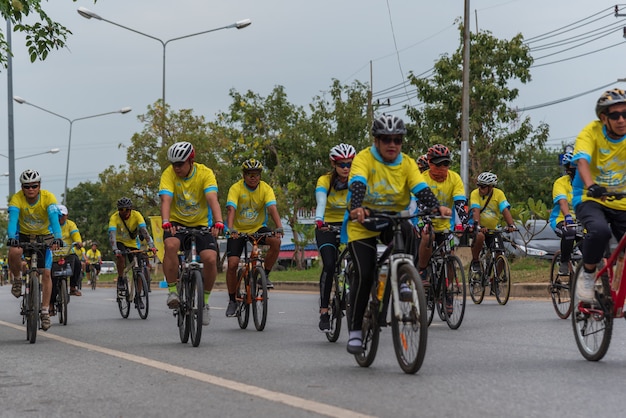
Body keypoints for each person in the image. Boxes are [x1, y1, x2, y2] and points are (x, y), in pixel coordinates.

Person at [345, 115, 451, 355]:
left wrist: (436, 207)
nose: (392, 144)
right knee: (365, 273)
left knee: (409, 232)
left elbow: (420, 188)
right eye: (386, 139)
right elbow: (358, 184)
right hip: (363, 222)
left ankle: (405, 277)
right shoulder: (364, 159)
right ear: (376, 141)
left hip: (391, 218)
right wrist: (357, 207)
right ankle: (355, 331)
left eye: (397, 140)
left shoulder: (407, 163)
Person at [159, 141, 224, 326]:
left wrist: (218, 221)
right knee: (171, 245)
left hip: (202, 224)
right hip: (176, 224)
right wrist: (165, 221)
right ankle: (172, 290)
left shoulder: (205, 173)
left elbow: (212, 199)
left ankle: (204, 303)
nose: (176, 168)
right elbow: (166, 199)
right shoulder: (168, 174)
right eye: (173, 164)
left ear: (191, 161)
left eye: (180, 164)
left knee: (211, 259)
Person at [572, 88, 626, 303]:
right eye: (615, 115)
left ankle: (619, 284)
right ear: (604, 118)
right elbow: (582, 161)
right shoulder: (590, 133)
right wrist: (591, 185)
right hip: (590, 197)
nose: (622, 120)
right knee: (600, 231)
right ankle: (587, 275)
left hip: (621, 200)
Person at [224, 159, 284, 317]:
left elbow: (272, 208)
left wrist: (278, 227)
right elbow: (231, 209)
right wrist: (230, 229)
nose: (253, 178)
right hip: (238, 231)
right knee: (232, 264)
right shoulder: (236, 188)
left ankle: (264, 276)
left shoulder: (265, 188)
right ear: (244, 175)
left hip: (257, 229)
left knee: (276, 242)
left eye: (256, 175)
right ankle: (232, 300)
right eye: (250, 175)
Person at [6, 169, 63, 331]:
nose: (30, 189)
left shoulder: (48, 198)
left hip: (44, 235)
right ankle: (17, 279)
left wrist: (58, 237)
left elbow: (54, 220)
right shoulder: (17, 199)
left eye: (34, 186)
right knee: (14, 251)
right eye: (27, 186)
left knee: (45, 272)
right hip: (23, 234)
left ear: (39, 186)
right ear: (22, 188)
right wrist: (11, 236)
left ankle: (45, 311)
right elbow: (12, 221)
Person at [415, 144, 469, 314]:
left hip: (446, 225)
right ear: (429, 163)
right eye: (438, 165)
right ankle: (423, 271)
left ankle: (448, 292)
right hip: (425, 219)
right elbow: (418, 204)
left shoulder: (454, 178)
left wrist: (464, 223)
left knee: (450, 256)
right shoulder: (422, 179)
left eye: (445, 164)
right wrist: (423, 221)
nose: (442, 169)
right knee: (427, 235)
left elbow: (460, 204)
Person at [314, 143, 356, 331]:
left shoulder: (357, 179)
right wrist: (319, 219)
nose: (346, 168)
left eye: (349, 164)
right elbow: (321, 201)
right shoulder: (324, 181)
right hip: (327, 227)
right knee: (330, 265)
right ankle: (324, 310)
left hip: (350, 225)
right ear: (334, 163)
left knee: (361, 261)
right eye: (342, 164)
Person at [108, 197, 157, 307]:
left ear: (131, 209)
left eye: (127, 210)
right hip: (120, 242)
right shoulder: (114, 218)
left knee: (138, 269)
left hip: (133, 244)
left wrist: (152, 246)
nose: (124, 212)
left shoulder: (137, 215)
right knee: (120, 257)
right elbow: (112, 235)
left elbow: (144, 232)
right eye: (121, 210)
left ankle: (138, 297)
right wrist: (115, 249)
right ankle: (121, 278)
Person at [468, 172, 516, 275]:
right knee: (480, 236)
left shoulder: (499, 194)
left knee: (500, 253)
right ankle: (475, 261)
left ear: (491, 187)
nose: (480, 189)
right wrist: (479, 226)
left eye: (483, 186)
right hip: (478, 227)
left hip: (493, 229)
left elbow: (505, 210)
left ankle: (495, 280)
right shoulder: (475, 194)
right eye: (479, 186)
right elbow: (475, 210)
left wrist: (511, 225)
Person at [549, 152, 579, 275]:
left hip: (581, 221)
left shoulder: (586, 183)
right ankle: (564, 262)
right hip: (561, 220)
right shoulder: (560, 183)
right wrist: (568, 216)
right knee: (569, 231)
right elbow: (563, 202)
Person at [54, 204, 84, 296]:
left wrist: (78, 242)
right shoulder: (51, 224)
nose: (60, 218)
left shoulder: (70, 224)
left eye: (63, 215)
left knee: (77, 263)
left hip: (68, 252)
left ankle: (72, 287)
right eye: (58, 215)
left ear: (66, 215)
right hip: (53, 254)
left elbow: (75, 234)